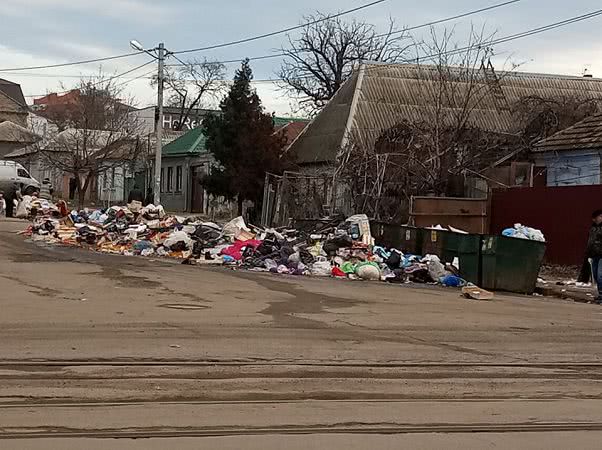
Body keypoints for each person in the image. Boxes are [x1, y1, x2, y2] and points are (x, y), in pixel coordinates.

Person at [586, 209, 602, 305]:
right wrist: (588, 253)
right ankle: (600, 294)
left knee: (600, 274)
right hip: (594, 254)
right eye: (599, 216)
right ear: (594, 218)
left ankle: (601, 294)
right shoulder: (593, 228)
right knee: (595, 275)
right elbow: (590, 242)